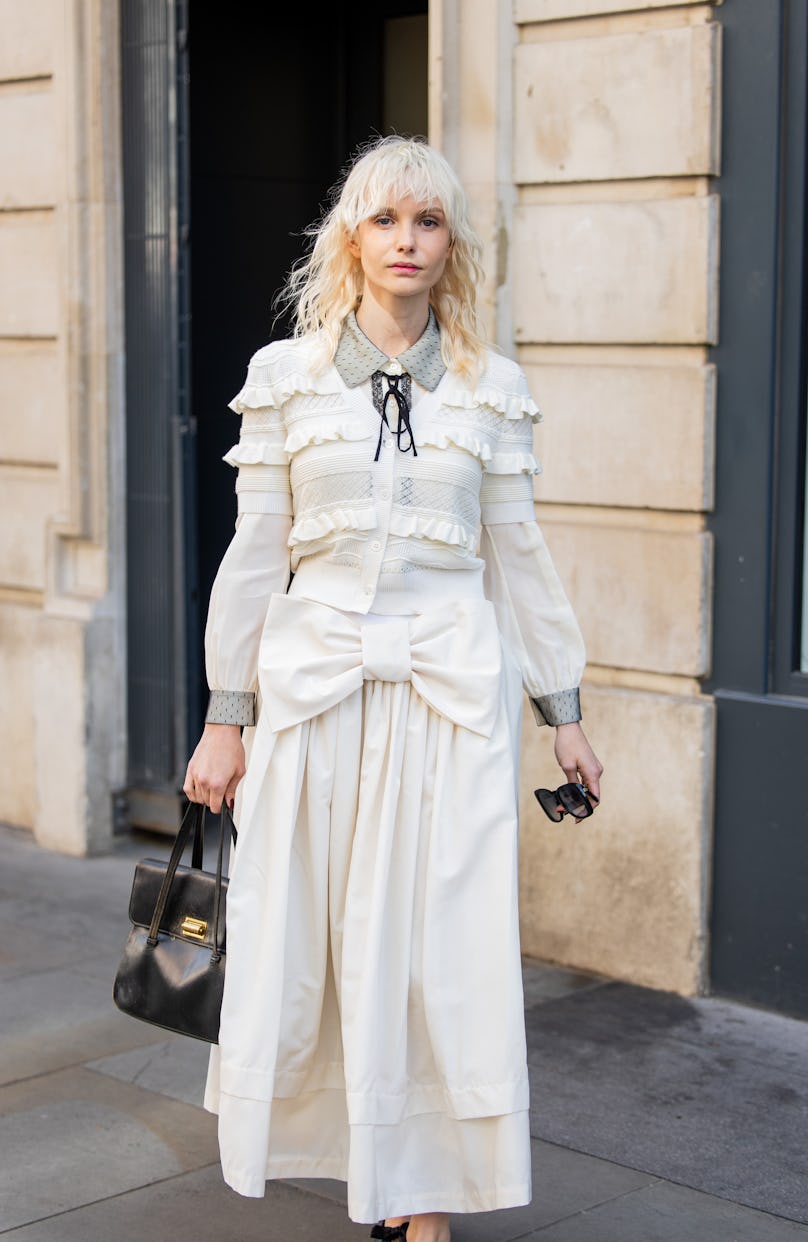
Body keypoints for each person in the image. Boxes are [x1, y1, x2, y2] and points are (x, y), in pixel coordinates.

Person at [183, 135, 602, 1242]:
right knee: (314, 939)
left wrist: (563, 713)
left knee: (436, 950)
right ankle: (353, 1157)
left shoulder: (491, 389)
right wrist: (227, 718)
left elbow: (521, 559)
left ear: (451, 243)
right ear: (350, 240)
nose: (406, 241)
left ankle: (421, 1197)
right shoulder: (285, 378)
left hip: (445, 703)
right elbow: (254, 556)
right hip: (314, 699)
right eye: (384, 221)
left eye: (426, 221)